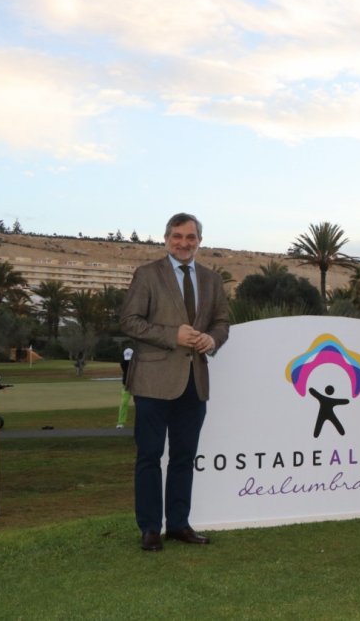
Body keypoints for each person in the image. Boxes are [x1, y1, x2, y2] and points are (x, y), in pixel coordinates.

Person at [120, 213, 229, 552]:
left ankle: (179, 525)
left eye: (191, 237)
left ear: (199, 241)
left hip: (194, 381)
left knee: (184, 457)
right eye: (178, 236)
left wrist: (212, 339)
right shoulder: (147, 275)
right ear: (166, 239)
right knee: (150, 457)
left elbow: (222, 322)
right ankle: (150, 528)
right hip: (152, 382)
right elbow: (129, 321)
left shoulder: (212, 279)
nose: (184, 243)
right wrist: (173, 335)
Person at [116, 346, 134, 429]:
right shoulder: (123, 363)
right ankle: (121, 422)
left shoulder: (137, 363)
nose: (128, 362)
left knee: (141, 405)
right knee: (124, 403)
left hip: (137, 386)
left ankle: (143, 423)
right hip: (126, 385)